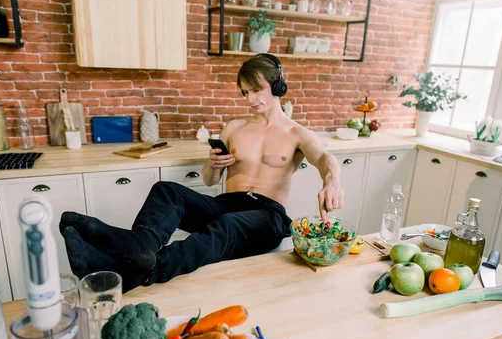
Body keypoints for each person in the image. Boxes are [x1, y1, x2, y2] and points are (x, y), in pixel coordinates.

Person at [60, 54, 344, 292]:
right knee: (166, 190)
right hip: (226, 205)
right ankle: (141, 247)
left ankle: (142, 271)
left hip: (267, 217)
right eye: (245, 92)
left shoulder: (297, 133)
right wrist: (214, 166)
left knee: (228, 225)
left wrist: (332, 181)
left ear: (276, 85)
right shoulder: (234, 127)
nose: (250, 99)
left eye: (256, 90)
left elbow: (324, 157)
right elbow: (210, 181)